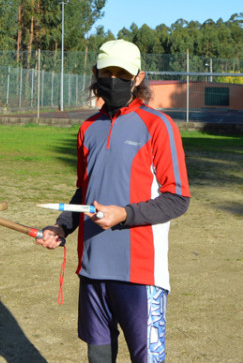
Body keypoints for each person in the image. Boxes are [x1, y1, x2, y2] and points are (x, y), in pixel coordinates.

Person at [36, 39, 191, 363]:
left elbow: (177, 198)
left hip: (141, 275)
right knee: (99, 357)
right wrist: (62, 226)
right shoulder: (87, 128)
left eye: (123, 73)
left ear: (138, 77)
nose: (114, 79)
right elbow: (84, 191)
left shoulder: (158, 125)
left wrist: (124, 214)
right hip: (93, 270)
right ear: (96, 73)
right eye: (108, 72)